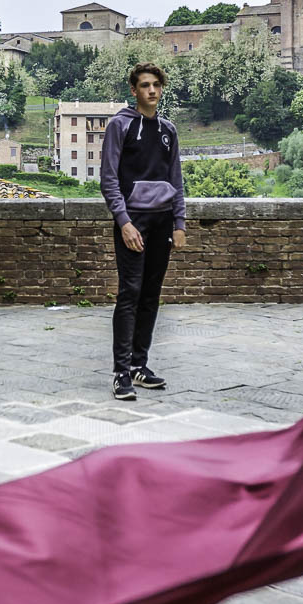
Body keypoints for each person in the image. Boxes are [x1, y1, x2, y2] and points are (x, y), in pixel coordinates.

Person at [100, 62, 186, 401]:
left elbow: (176, 179)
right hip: (133, 221)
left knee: (151, 295)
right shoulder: (119, 125)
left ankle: (139, 365)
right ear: (134, 90)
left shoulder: (168, 130)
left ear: (161, 89)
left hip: (162, 220)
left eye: (156, 85)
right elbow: (109, 180)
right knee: (129, 294)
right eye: (145, 85)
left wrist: (179, 223)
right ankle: (121, 372)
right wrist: (124, 222)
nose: (151, 90)